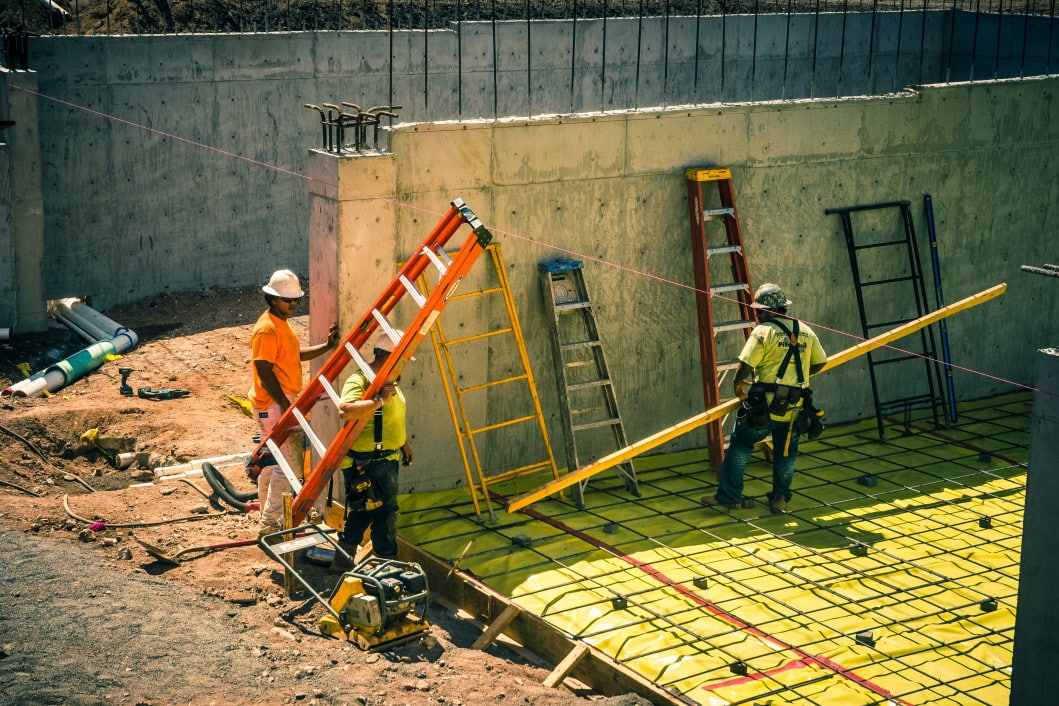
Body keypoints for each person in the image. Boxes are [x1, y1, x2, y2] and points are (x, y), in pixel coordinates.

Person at [702, 283, 828, 514]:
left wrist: (738, 383)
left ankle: (730, 497)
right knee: (786, 452)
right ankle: (780, 499)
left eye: (759, 311)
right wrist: (797, 377)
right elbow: (821, 362)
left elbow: (747, 364)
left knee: (741, 444)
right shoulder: (805, 330)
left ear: (768, 311)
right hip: (795, 406)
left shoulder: (763, 331)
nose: (757, 315)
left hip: (764, 406)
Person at [249, 269, 339, 532]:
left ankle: (266, 517)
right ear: (273, 299)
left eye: (296, 300)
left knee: (276, 462)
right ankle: (269, 525)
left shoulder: (279, 324)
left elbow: (293, 355)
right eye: (288, 300)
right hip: (275, 403)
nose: (293, 304)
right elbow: (264, 371)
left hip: (279, 401)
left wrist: (326, 346)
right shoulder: (266, 329)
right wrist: (286, 405)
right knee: (289, 467)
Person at [335, 332, 414, 560]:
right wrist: (379, 401)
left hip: (385, 458)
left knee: (364, 511)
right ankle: (388, 564)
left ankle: (342, 560)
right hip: (369, 461)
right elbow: (345, 411)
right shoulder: (361, 380)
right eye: (404, 357)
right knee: (386, 513)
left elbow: (390, 418)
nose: (406, 362)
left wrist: (403, 444)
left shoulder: (389, 381)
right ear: (391, 357)